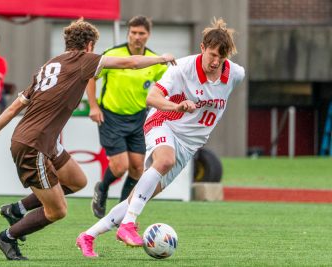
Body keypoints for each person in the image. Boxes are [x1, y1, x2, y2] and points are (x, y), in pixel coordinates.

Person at [0, 19, 176, 261]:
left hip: (45, 140)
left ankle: (17, 209)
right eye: (94, 47)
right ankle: (8, 237)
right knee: (57, 211)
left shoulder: (49, 65)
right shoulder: (83, 60)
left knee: (77, 181)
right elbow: (129, 62)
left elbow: (14, 107)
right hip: (34, 145)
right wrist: (161, 58)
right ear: (89, 46)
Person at [76, 17, 245, 258]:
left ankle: (88, 236)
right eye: (212, 55)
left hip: (189, 145)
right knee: (164, 159)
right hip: (164, 122)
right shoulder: (182, 68)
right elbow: (151, 98)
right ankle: (128, 225)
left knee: (138, 198)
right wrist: (175, 107)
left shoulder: (236, 74)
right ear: (202, 49)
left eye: (221, 57)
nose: (215, 62)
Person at [89, 15, 167, 219]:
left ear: (148, 35)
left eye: (141, 33)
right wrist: (93, 106)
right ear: (128, 33)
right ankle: (102, 189)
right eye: (133, 32)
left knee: (137, 168)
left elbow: (166, 87)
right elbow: (91, 76)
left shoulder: (155, 62)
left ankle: (121, 211)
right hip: (110, 116)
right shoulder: (113, 54)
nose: (137, 37)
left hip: (139, 118)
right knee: (120, 166)